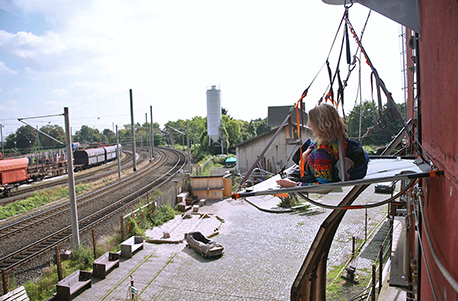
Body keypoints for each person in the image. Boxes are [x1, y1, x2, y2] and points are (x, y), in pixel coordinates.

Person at [276, 104, 349, 188]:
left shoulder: (322, 152)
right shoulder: (340, 139)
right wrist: (307, 151)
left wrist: (293, 184)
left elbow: (323, 185)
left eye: (312, 123)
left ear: (320, 125)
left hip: (308, 176)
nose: (309, 126)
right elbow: (315, 143)